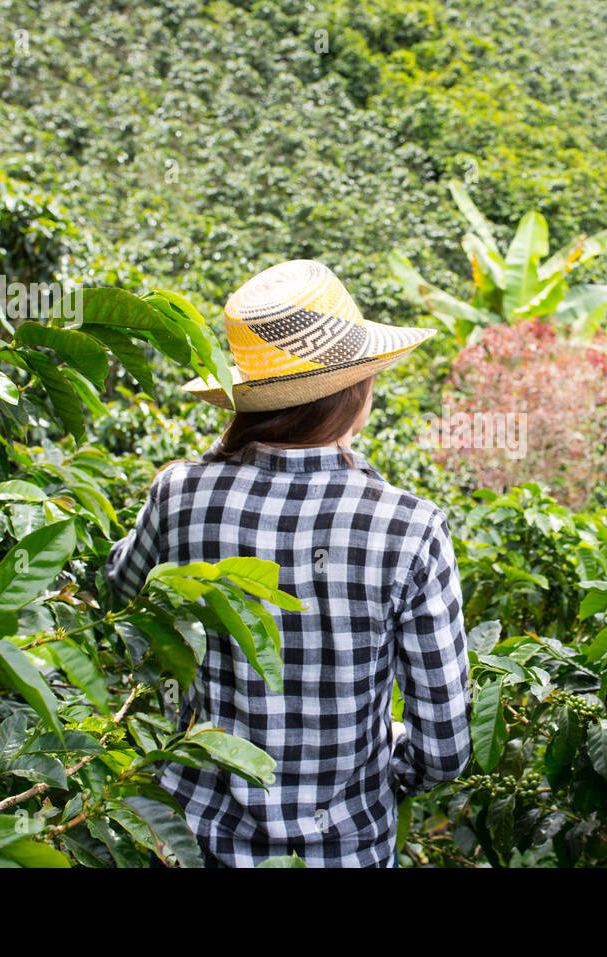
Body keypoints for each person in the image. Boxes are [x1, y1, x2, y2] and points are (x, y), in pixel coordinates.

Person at [105, 260, 472, 868]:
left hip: (190, 844)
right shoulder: (410, 528)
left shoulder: (179, 494)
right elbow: (446, 745)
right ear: (358, 389)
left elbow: (118, 592)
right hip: (343, 851)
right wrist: (383, 771)